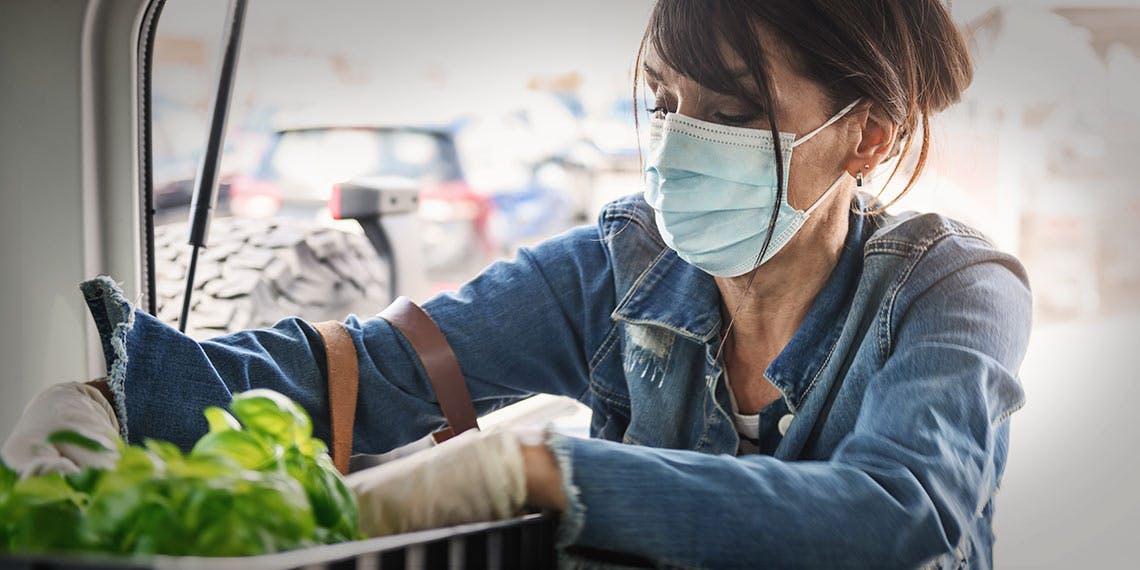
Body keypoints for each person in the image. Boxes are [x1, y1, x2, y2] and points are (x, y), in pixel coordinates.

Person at [2, 1, 1030, 568]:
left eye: (729, 109)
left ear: (867, 137)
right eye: (666, 101)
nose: (677, 139)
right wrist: (118, 400)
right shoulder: (622, 269)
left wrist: (543, 474)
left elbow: (897, 510)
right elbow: (375, 370)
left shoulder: (953, 289)